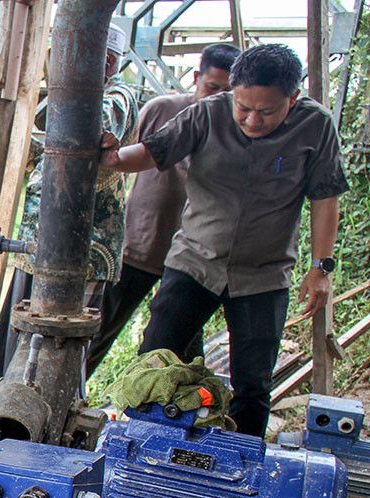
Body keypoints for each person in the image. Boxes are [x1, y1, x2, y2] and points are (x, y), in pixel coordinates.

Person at [101, 44, 348, 437]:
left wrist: (321, 269)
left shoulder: (314, 127)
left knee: (252, 386)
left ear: (293, 98)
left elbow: (325, 199)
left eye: (266, 112)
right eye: (243, 107)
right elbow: (153, 152)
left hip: (263, 276)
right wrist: (113, 160)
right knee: (154, 361)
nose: (251, 120)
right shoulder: (207, 113)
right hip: (195, 262)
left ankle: (239, 472)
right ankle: (143, 453)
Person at [0, 23, 140, 384]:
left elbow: (93, 130)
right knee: (18, 335)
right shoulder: (67, 95)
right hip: (39, 245)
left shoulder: (117, 96)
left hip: (82, 250)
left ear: (109, 63)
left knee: (57, 344)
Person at [85, 43, 241, 378]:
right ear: (196, 78)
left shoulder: (239, 128)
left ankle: (179, 415)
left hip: (193, 260)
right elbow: (116, 162)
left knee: (180, 350)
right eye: (211, 88)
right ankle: (68, 399)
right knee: (95, 334)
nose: (218, 99)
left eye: (228, 92)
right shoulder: (161, 109)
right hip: (139, 248)